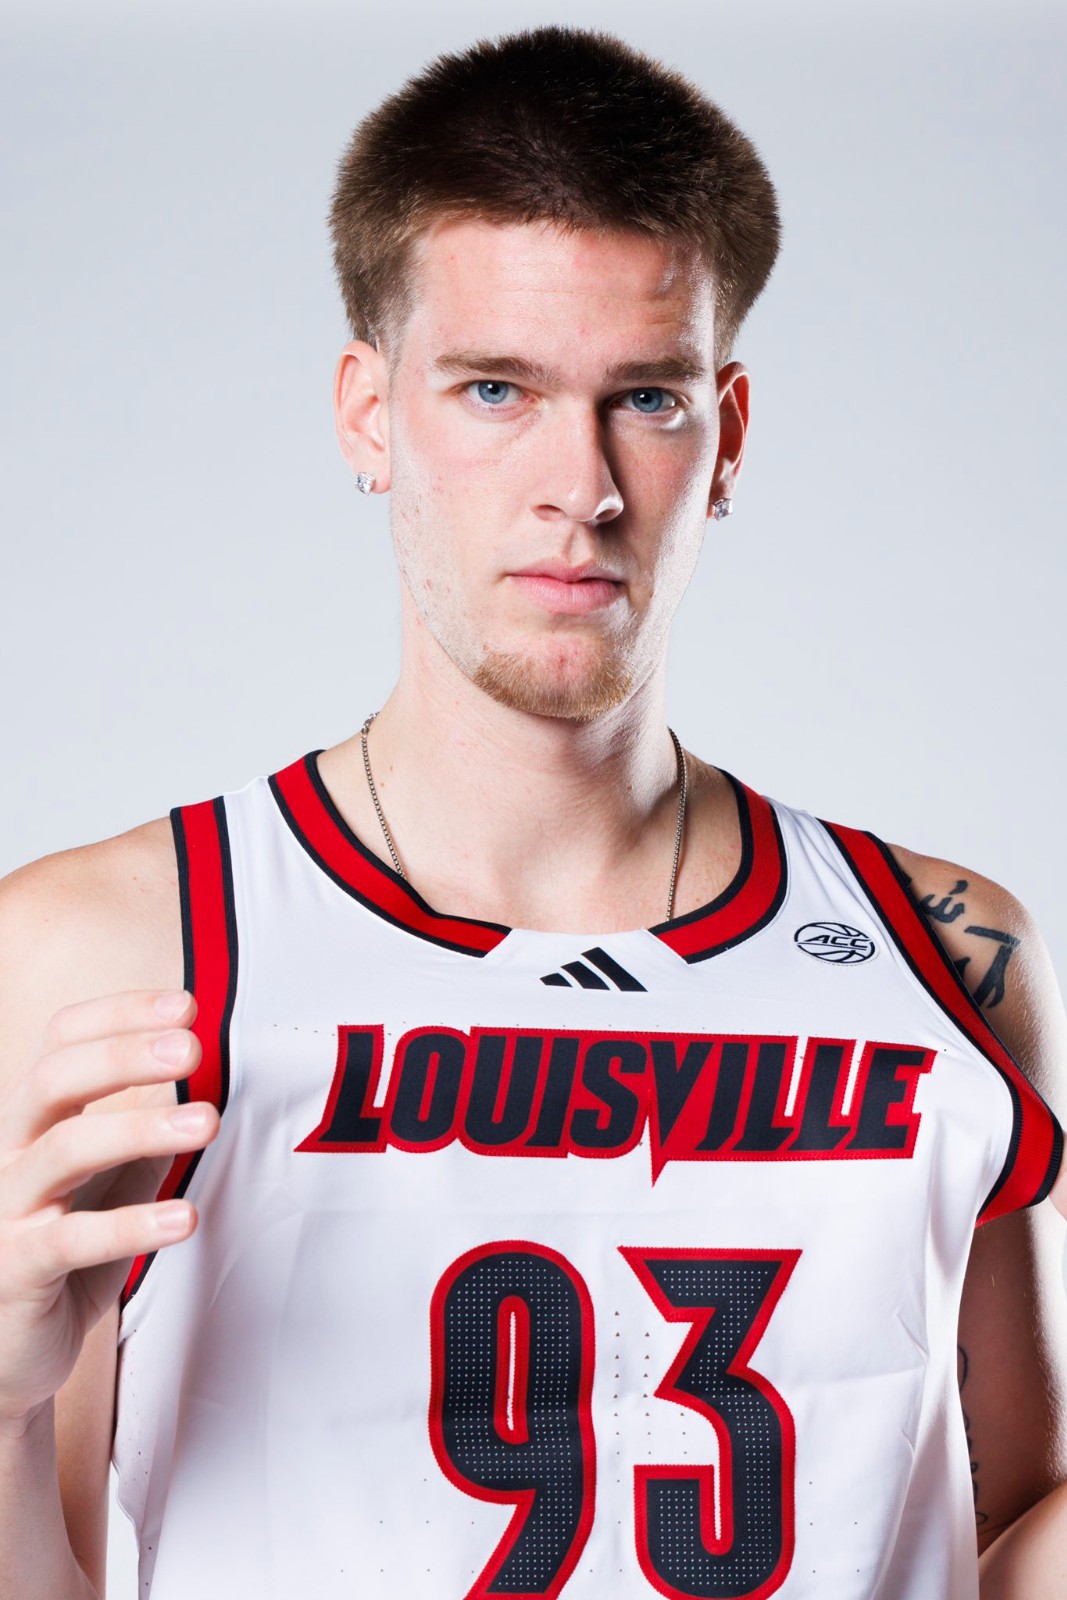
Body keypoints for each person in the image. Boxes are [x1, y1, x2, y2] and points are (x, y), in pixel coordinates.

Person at [1, 22, 1066, 1599]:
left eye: (648, 397)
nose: (583, 485)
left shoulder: (946, 950)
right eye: (496, 388)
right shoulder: (110, 953)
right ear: (371, 413)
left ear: (727, 436)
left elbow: (1009, 1531)